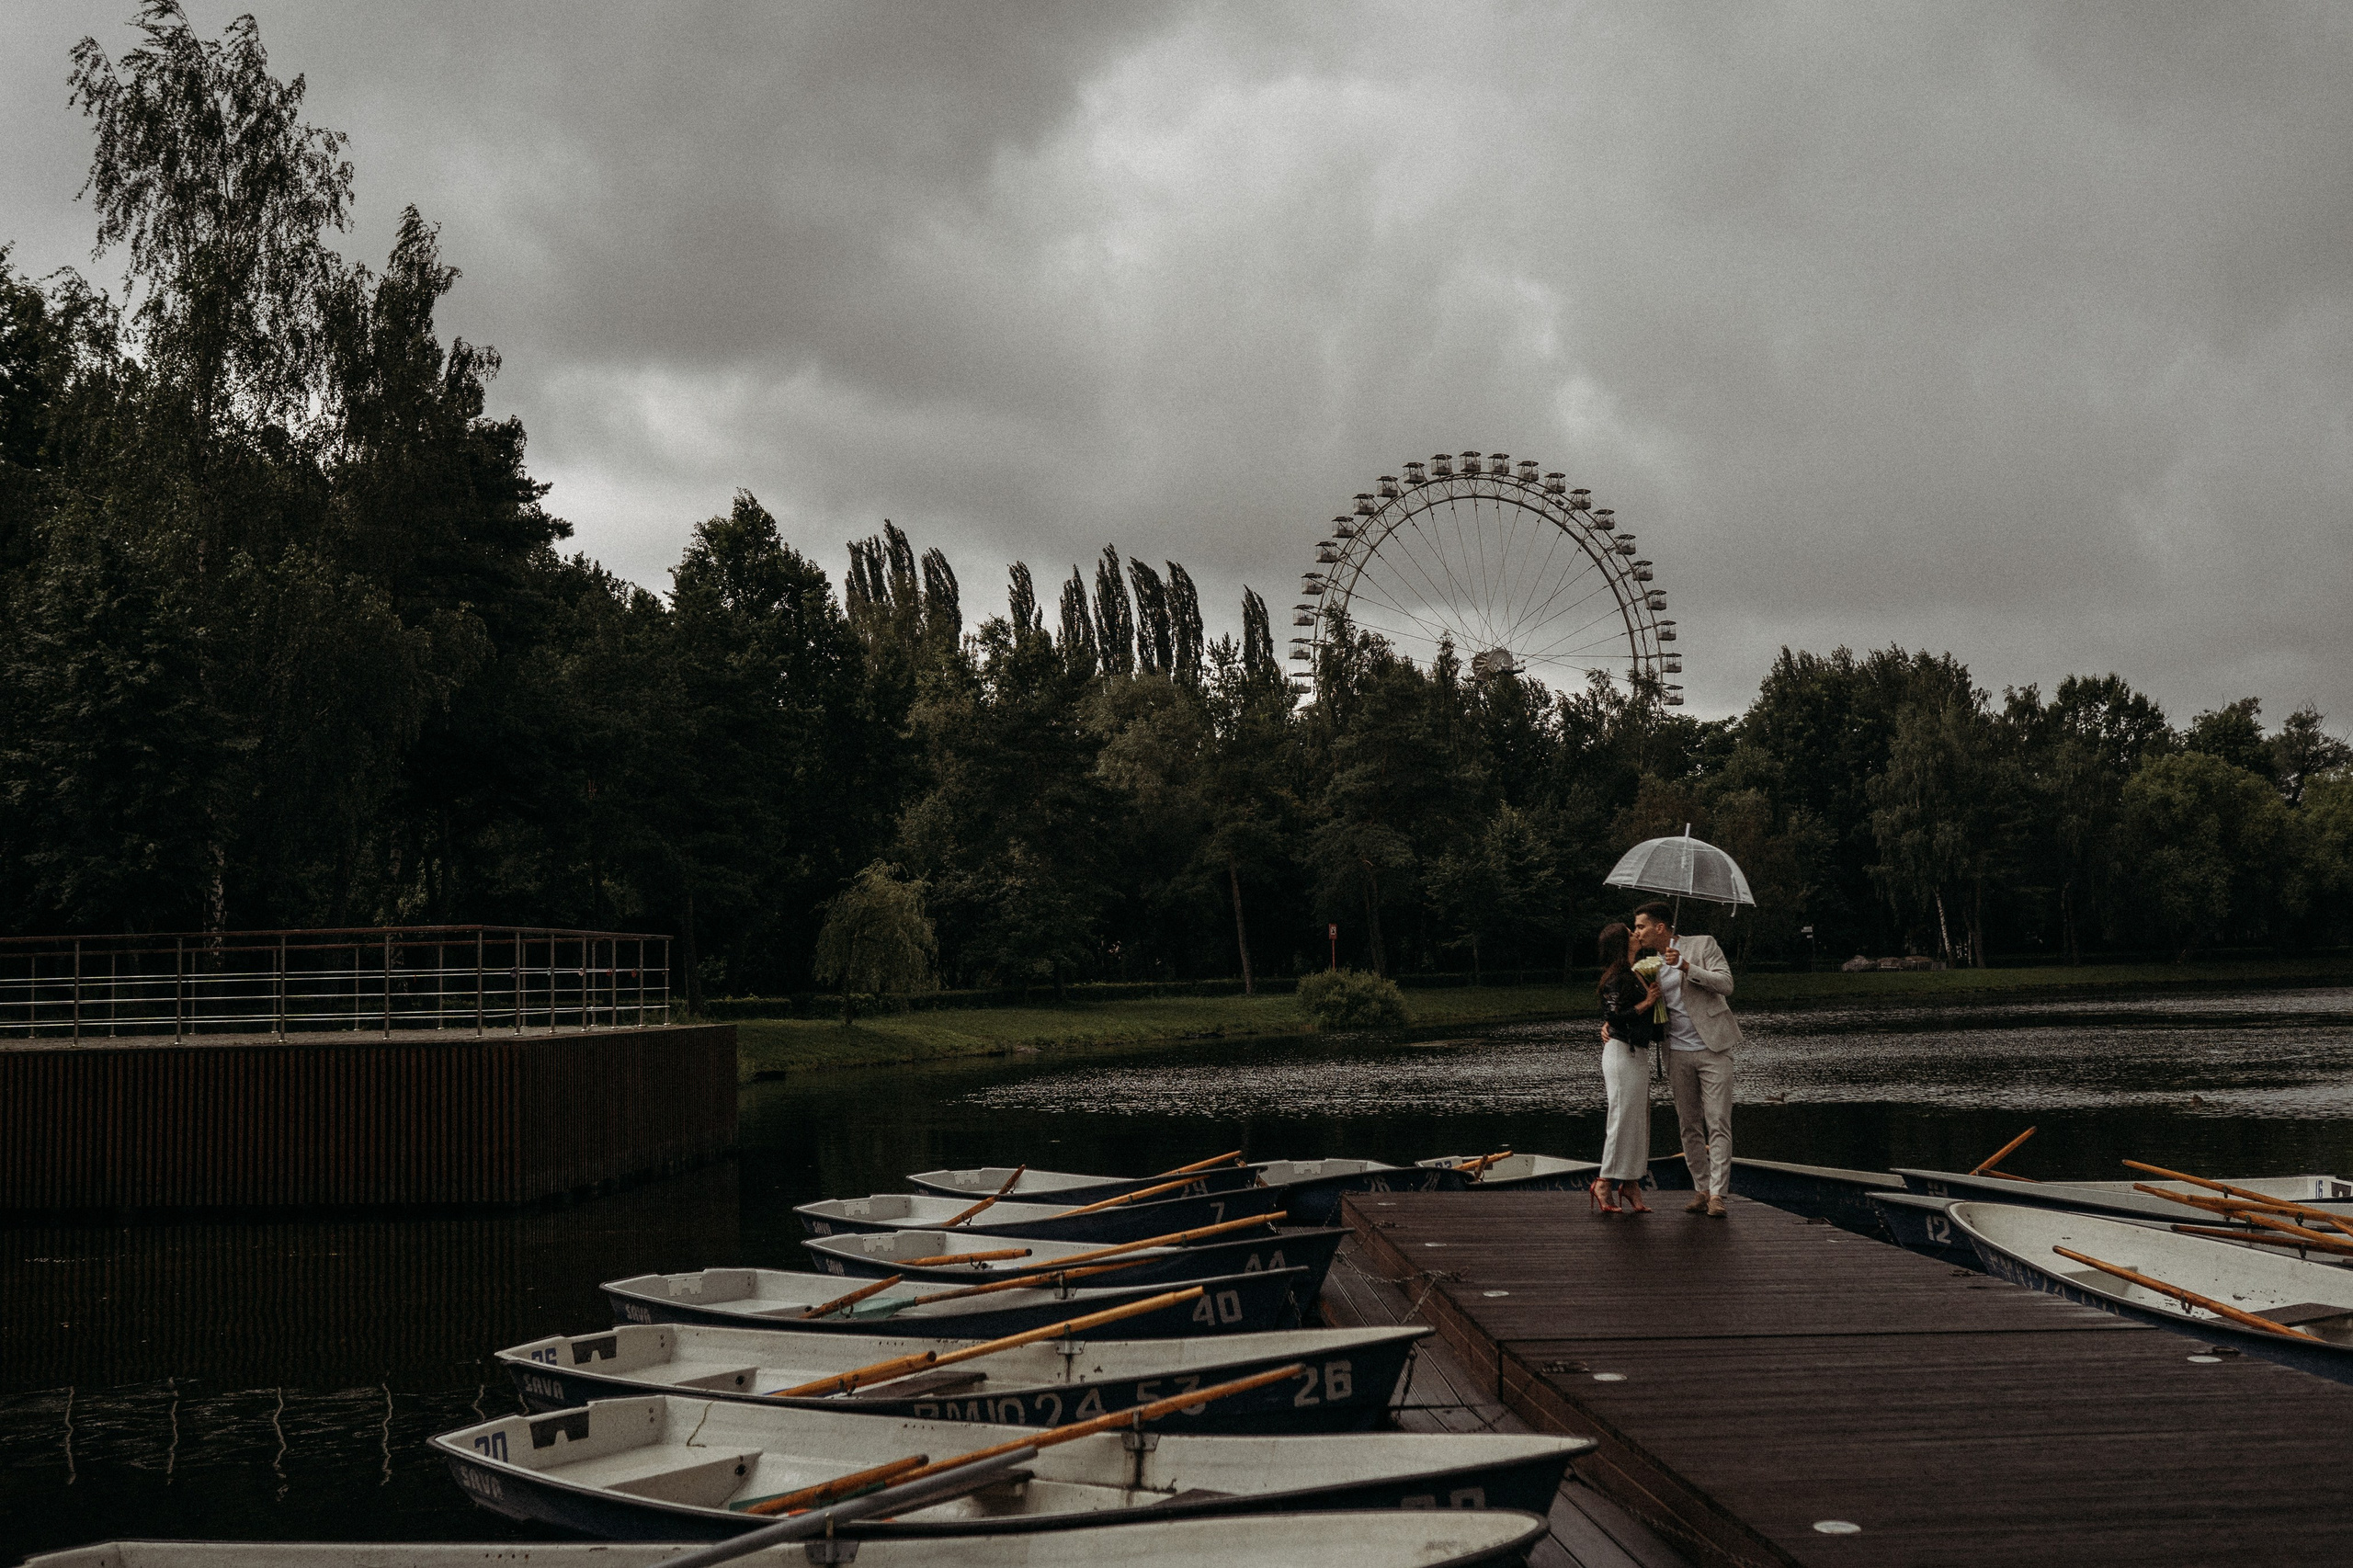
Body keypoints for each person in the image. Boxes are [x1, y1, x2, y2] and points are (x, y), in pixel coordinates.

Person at [1632, 901, 1742, 1218]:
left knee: (1718, 1121)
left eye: (1641, 926)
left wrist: (1685, 967)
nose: (1637, 932)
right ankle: (1702, 1189)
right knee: (1688, 1124)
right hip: (1676, 1051)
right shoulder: (1648, 963)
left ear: (1661, 927)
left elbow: (1726, 984)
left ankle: (1719, 1195)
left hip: (1714, 1048)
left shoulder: (1702, 944)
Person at [1593, 922, 1660, 1215]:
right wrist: (1646, 1003)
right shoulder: (1617, 978)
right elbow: (1614, 1016)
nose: (1636, 935)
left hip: (1638, 1052)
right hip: (1621, 1052)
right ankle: (1604, 1181)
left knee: (1637, 1120)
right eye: (1630, 933)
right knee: (1621, 1117)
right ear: (1621, 944)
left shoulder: (1636, 973)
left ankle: (1631, 1182)